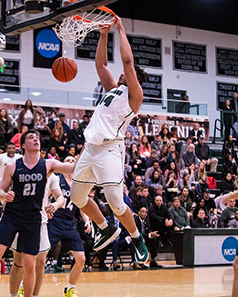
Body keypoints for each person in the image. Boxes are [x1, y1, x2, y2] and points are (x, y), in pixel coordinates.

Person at [69, 17, 149, 266]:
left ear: (134, 78)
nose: (121, 72)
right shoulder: (113, 89)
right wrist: (103, 34)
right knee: (77, 197)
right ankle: (104, 228)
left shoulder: (135, 95)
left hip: (111, 149)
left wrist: (120, 29)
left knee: (115, 202)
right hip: (90, 148)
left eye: (126, 73)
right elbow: (101, 64)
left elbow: (127, 61)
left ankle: (137, 238)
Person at [0, 130, 76, 297]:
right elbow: (0, 191)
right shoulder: (13, 166)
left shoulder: (48, 164)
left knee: (29, 264)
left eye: (37, 138)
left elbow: (73, 167)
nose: (36, 140)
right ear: (23, 145)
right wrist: (5, 195)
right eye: (31, 138)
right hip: (12, 214)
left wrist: (89, 148)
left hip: (33, 218)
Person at [8, 163, 65, 297]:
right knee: (19, 261)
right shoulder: (18, 169)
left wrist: (55, 205)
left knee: (40, 263)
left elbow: (60, 198)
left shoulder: (52, 176)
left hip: (40, 222)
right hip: (20, 219)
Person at [46, 156, 89, 296]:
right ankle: (24, 286)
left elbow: (82, 205)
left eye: (72, 160)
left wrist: (87, 220)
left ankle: (70, 289)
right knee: (39, 255)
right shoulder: (57, 178)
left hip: (70, 224)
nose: (70, 162)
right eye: (68, 160)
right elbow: (46, 195)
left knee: (81, 258)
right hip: (54, 220)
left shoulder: (78, 183)